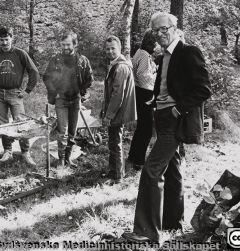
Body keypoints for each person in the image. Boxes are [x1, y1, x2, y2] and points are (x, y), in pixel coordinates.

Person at [123, 12, 211, 242]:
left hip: (174, 121)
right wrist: (155, 100)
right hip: (161, 117)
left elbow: (203, 89)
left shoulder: (188, 52)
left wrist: (177, 109)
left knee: (151, 171)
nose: (159, 33)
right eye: (155, 30)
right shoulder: (164, 56)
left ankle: (146, 232)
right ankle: (173, 225)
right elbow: (166, 86)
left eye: (164, 29)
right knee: (173, 170)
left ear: (175, 28)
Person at [0, 26, 39, 165]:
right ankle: (8, 151)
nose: (5, 43)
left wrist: (27, 90)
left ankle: (25, 152)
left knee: (21, 123)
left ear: (11, 38)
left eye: (7, 39)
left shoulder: (20, 54)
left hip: (15, 94)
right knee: (3, 125)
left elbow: (34, 72)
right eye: (1, 40)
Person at [43, 31, 94, 167]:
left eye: (68, 44)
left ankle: (68, 158)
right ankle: (61, 159)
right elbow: (46, 77)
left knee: (72, 131)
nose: (65, 47)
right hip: (61, 100)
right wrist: (55, 93)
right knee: (63, 131)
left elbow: (90, 78)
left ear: (75, 44)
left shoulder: (82, 60)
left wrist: (81, 92)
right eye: (63, 45)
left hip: (75, 100)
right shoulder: (56, 59)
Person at [101, 35, 137, 182]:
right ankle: (113, 171)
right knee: (113, 141)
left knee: (115, 142)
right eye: (107, 49)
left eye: (113, 48)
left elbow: (117, 95)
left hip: (118, 112)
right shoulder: (115, 64)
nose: (110, 51)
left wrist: (109, 115)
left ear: (120, 49)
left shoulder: (121, 67)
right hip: (116, 110)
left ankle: (117, 176)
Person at [127, 29, 158, 171]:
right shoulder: (144, 55)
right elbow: (143, 76)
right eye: (156, 41)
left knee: (141, 129)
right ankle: (139, 161)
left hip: (139, 92)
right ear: (152, 42)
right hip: (144, 93)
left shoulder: (140, 52)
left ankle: (133, 157)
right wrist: (158, 76)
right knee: (146, 130)